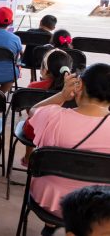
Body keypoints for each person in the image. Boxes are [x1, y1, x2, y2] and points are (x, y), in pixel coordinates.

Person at [28, 63, 110, 232]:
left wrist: (63, 95)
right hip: (97, 209)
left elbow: (33, 110)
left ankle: (50, 225)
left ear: (81, 85)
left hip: (48, 200)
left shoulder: (53, 116)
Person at [21, 49, 73, 165]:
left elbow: (30, 112)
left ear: (46, 70)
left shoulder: (33, 86)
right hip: (61, 134)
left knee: (30, 122)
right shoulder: (73, 91)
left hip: (33, 132)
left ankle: (28, 156)